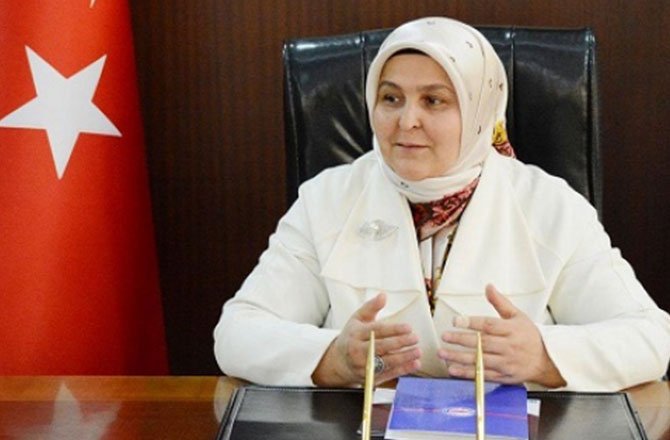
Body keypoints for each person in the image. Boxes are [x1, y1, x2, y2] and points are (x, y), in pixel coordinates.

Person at [213, 16, 670, 391]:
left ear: (479, 112)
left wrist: (543, 357)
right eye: (391, 98)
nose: (406, 121)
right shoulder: (326, 200)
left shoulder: (551, 207)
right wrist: (332, 358)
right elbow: (237, 333)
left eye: (434, 101)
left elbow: (651, 338)